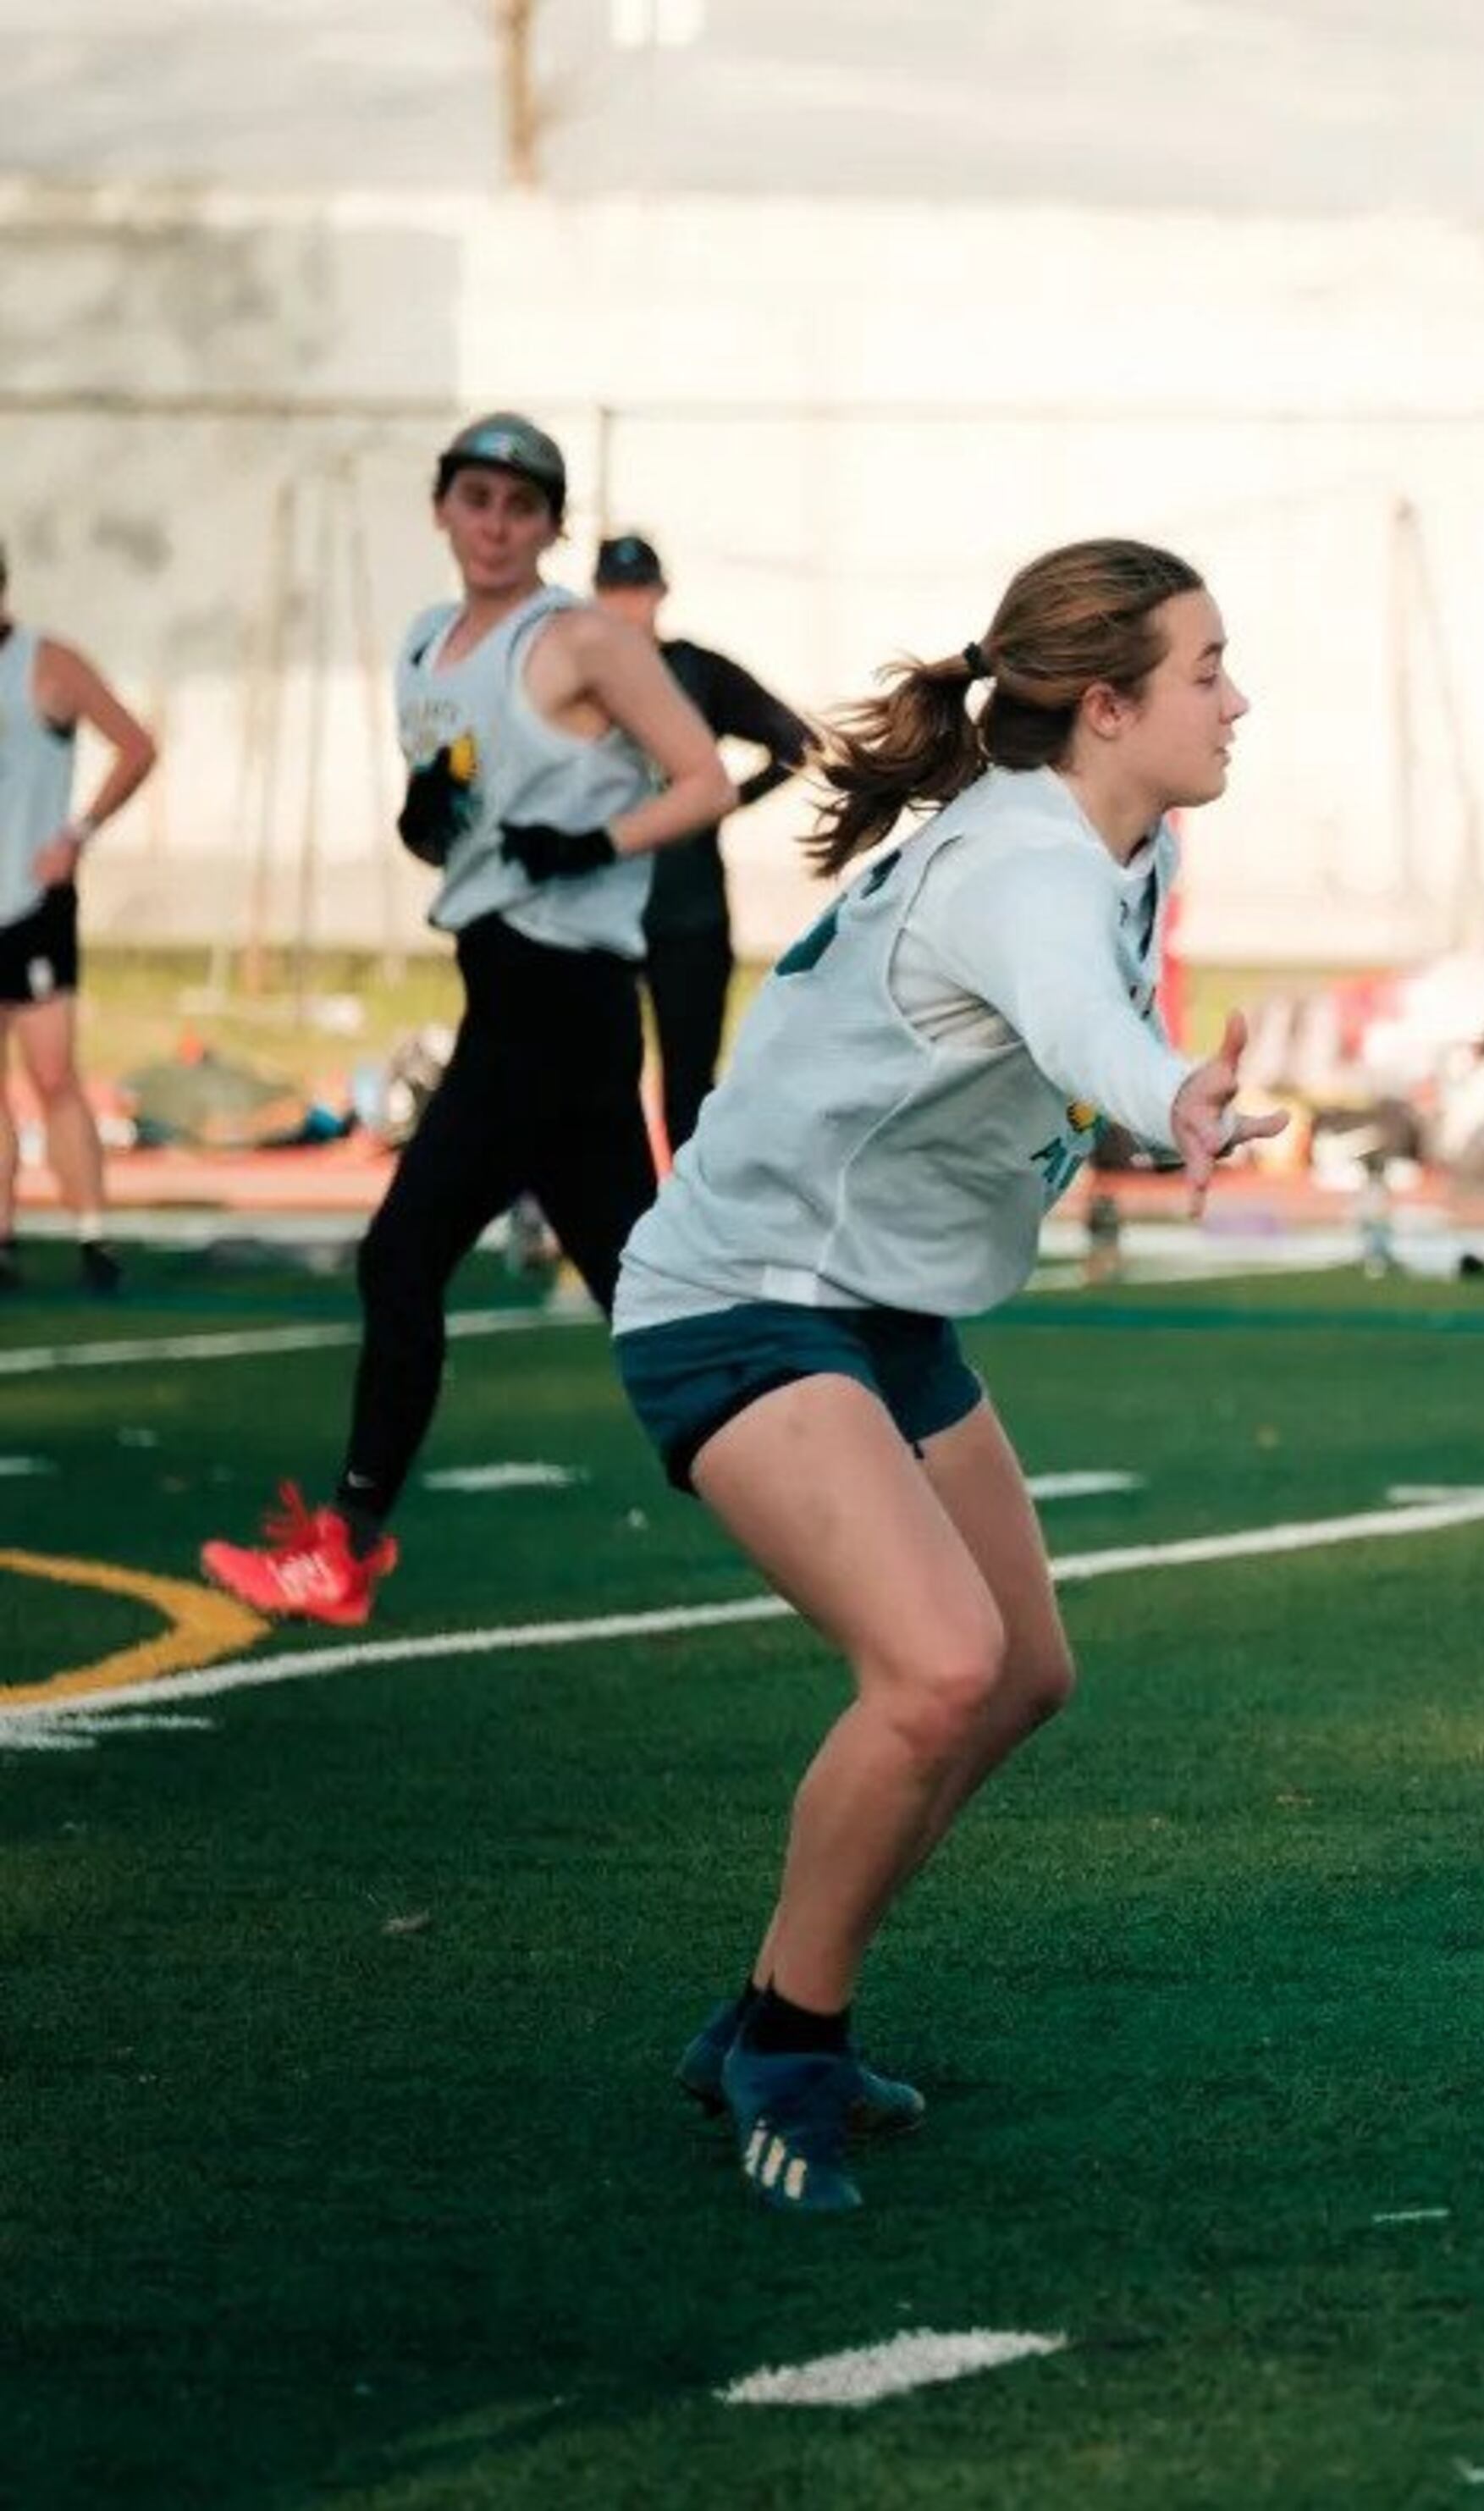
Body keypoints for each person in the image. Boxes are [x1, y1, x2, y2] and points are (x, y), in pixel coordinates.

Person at [607, 537, 1281, 2214]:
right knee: (934, 1668)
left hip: (880, 1309)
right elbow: (1077, 1020)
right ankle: (791, 2042)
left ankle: (765, 1999)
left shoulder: (1140, 838)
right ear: (1106, 705)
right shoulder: (1025, 870)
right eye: (1205, 670)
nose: (1236, 697)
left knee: (1022, 1671)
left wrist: (1151, 1088)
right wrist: (1171, 1098)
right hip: (741, 1299)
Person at [200, 414, 733, 1625]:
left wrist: (596, 838)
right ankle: (827, 1473)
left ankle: (345, 1541)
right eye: (475, 498)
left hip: (561, 996)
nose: (495, 524)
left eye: (520, 505)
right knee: (647, 1293)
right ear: (443, 507)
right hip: (507, 985)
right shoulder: (425, 645)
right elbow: (456, 792)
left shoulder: (584, 635)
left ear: (552, 523)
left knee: (405, 1254)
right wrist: (429, 815)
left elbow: (703, 777)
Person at [588, 532, 815, 1156]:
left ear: (659, 594)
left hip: (686, 910)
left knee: (689, 1087)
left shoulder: (694, 671)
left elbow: (797, 741)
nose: (626, 606)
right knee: (588, 1077)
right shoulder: (576, 675)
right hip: (599, 911)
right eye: (613, 591)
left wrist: (720, 802)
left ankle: (690, 1229)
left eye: (637, 591)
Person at [0, 540, 160, 1294]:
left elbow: (134, 745)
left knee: (53, 1072)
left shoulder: (47, 663)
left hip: (30, 904)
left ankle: (92, 1231)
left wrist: (78, 834)